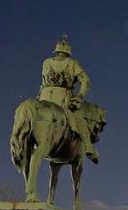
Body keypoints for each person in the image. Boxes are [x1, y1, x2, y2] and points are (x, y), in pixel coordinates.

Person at [39, 35, 99, 163]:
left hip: (43, 97)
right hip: (61, 98)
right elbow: (86, 81)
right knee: (79, 121)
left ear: (56, 51)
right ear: (68, 53)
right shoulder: (72, 63)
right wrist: (80, 95)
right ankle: (89, 148)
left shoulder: (46, 62)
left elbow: (43, 81)